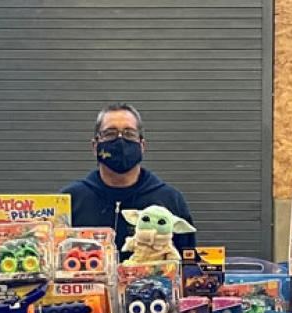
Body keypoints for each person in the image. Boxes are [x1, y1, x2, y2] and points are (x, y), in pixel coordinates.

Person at [60, 103, 196, 257]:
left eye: (129, 134)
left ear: (142, 145)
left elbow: (188, 267)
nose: (120, 141)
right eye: (110, 133)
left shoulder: (170, 199)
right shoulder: (70, 200)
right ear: (95, 145)